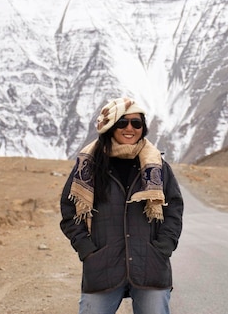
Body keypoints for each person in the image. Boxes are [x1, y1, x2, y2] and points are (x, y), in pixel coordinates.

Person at [60, 97, 184, 314]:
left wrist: (164, 247)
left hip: (151, 266)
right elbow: (70, 211)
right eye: (122, 123)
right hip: (102, 267)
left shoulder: (157, 166)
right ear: (109, 127)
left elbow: (173, 208)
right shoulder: (89, 165)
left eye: (136, 123)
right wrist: (87, 250)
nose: (130, 128)